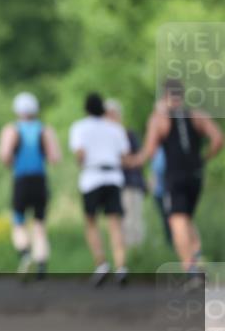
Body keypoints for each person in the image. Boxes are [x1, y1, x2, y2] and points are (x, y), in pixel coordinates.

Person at [126, 79, 222, 275]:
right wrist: (204, 157)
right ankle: (198, 257)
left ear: (165, 96)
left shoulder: (159, 119)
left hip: (174, 176)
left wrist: (130, 161)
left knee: (176, 220)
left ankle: (190, 267)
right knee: (187, 219)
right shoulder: (197, 115)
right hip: (196, 175)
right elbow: (218, 139)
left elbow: (149, 152)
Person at [0, 92, 61, 278]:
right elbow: (54, 157)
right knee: (39, 224)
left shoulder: (12, 129)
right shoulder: (44, 129)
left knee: (18, 222)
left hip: (21, 179)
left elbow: (4, 155)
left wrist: (13, 162)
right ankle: (41, 265)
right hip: (40, 179)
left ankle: (25, 253)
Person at [69, 93, 131, 286]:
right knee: (115, 223)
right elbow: (124, 155)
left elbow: (80, 154)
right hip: (113, 176)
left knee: (91, 222)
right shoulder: (115, 128)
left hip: (91, 177)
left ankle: (101, 262)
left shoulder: (79, 127)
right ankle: (121, 266)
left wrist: (82, 162)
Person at [105, 99, 148, 248]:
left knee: (132, 221)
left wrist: (119, 160)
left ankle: (136, 253)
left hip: (130, 182)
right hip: (114, 185)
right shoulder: (106, 137)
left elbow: (139, 158)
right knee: (119, 222)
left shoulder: (128, 134)